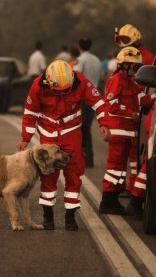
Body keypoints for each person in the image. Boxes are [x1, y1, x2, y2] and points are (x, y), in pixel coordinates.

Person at [17, 60, 109, 231]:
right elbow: (30, 113)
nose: (62, 93)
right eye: (58, 90)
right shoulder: (38, 85)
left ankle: (70, 217)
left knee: (74, 173)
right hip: (48, 134)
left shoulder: (80, 82)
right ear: (49, 82)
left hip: (71, 132)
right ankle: (48, 217)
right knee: (48, 175)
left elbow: (100, 103)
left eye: (66, 90)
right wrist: (26, 138)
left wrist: (104, 123)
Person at [98, 47, 155, 215]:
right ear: (123, 65)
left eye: (138, 67)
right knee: (114, 168)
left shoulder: (133, 83)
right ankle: (107, 201)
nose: (135, 70)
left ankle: (113, 199)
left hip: (128, 133)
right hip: (118, 131)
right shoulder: (116, 80)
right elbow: (111, 105)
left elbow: (142, 101)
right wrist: (131, 113)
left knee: (120, 170)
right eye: (133, 67)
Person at [114, 23, 156, 206]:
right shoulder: (131, 56)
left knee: (134, 152)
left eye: (125, 40)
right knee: (130, 153)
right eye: (120, 40)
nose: (122, 44)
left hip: (140, 106)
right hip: (133, 107)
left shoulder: (145, 58)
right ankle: (128, 186)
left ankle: (132, 187)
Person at [73, 37, 102, 168]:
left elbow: (76, 77)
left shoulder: (80, 60)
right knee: (86, 128)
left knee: (80, 128)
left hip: (83, 98)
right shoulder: (97, 60)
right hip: (93, 97)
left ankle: (83, 158)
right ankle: (88, 159)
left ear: (79, 46)